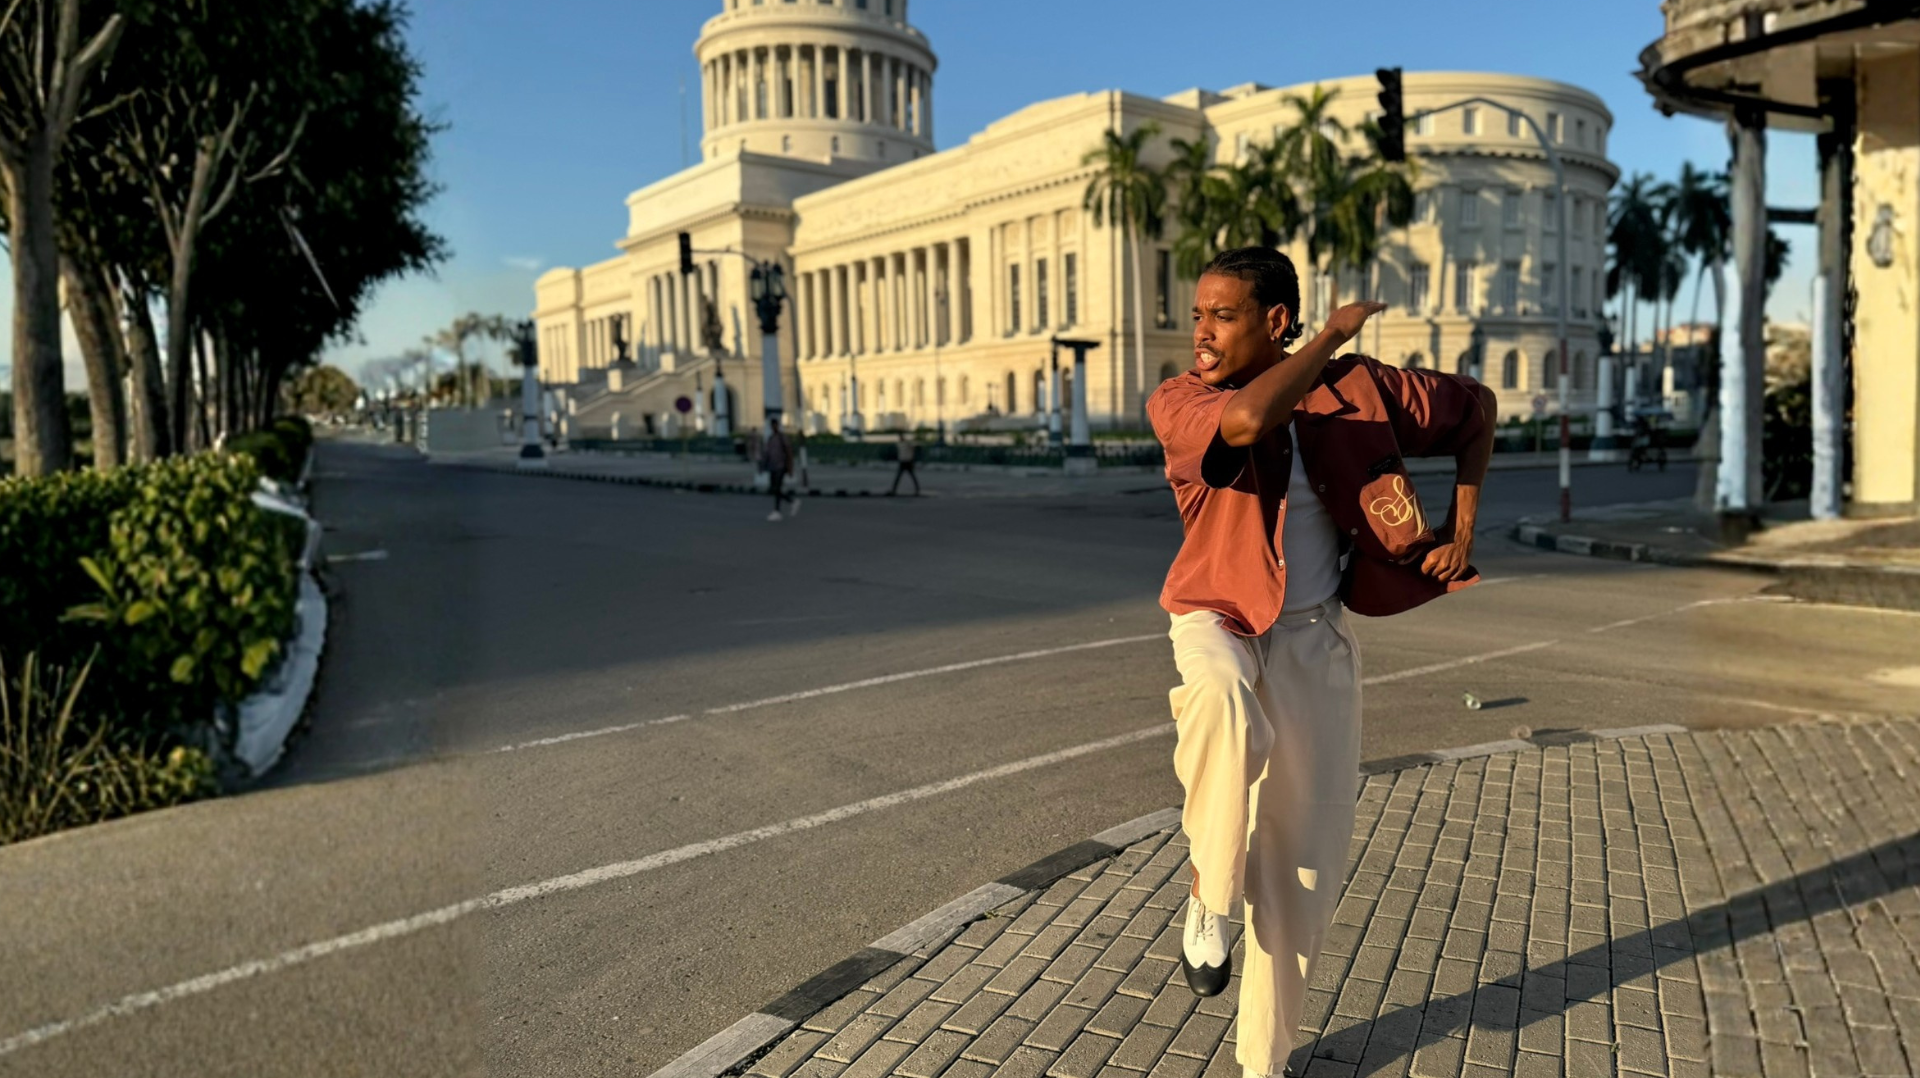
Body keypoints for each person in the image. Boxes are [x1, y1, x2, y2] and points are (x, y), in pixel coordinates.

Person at [1148, 247, 1496, 1078]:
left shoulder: (1363, 392)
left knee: (1303, 875)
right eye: (1198, 314)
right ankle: (1209, 893)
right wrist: (1326, 343)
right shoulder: (1184, 399)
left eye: (1221, 315)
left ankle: (1262, 1065)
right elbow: (1245, 426)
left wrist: (1463, 525)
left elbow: (1476, 411)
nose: (1200, 332)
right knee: (1225, 705)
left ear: (1274, 322)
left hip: (1313, 637)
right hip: (1218, 618)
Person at [761, 417, 799, 521]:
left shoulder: (782, 438)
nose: (773, 427)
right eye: (772, 425)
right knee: (774, 489)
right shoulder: (771, 438)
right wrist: (763, 466)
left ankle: (777, 511)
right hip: (772, 466)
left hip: (781, 467)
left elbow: (789, 453)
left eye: (775, 425)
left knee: (777, 488)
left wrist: (790, 468)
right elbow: (767, 454)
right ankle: (791, 501)